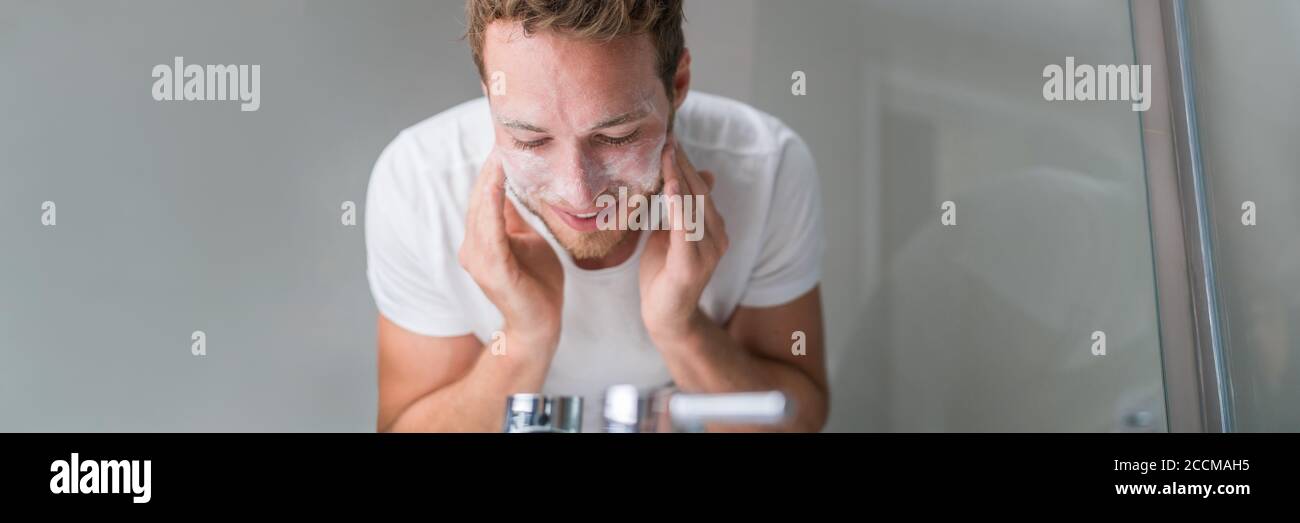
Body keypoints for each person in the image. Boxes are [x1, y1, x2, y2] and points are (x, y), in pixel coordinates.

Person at [366, 0, 827, 432]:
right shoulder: (419, 183)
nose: (579, 193)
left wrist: (682, 329)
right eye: (530, 141)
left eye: (617, 136)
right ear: (490, 98)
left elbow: (797, 420)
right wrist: (524, 341)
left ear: (679, 85)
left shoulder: (765, 165)